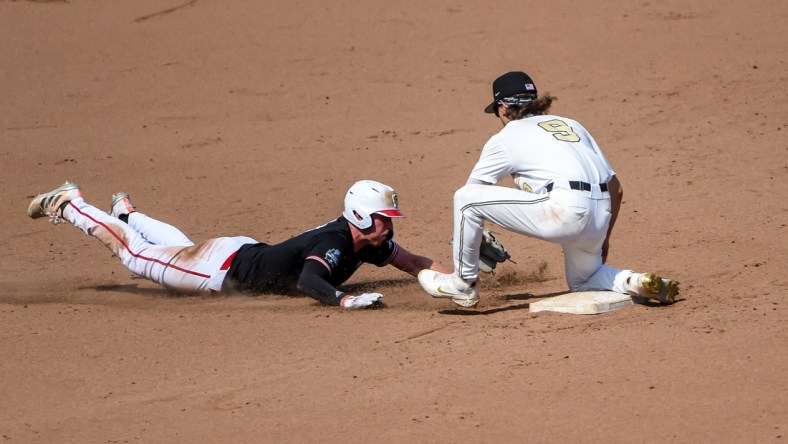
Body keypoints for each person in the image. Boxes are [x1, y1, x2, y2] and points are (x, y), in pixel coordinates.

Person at [418, 70, 680, 308]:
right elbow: (616, 188)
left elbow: (473, 195)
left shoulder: (506, 137)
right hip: (599, 214)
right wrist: (604, 237)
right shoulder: (572, 125)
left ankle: (462, 285)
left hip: (563, 211)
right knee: (584, 280)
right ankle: (636, 281)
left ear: (504, 107)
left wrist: (475, 238)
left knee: (464, 199)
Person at [27, 179, 449, 309]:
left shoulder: (369, 242)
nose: (388, 228)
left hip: (234, 253)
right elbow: (309, 280)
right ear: (359, 216)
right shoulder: (336, 239)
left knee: (180, 249)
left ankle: (127, 217)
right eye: (383, 219)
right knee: (136, 257)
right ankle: (70, 205)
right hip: (220, 269)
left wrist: (457, 274)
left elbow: (412, 263)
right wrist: (343, 301)